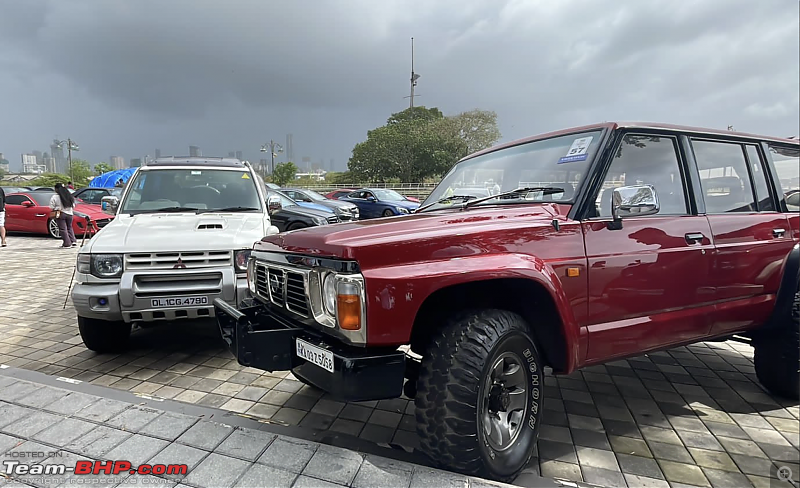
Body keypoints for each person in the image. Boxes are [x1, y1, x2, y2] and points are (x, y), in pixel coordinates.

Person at [50, 183, 77, 248]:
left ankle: (67, 243)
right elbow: (73, 205)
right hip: (70, 214)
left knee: (63, 229)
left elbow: (51, 206)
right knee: (69, 227)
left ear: (56, 189)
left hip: (60, 214)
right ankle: (73, 241)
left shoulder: (55, 197)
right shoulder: (69, 196)